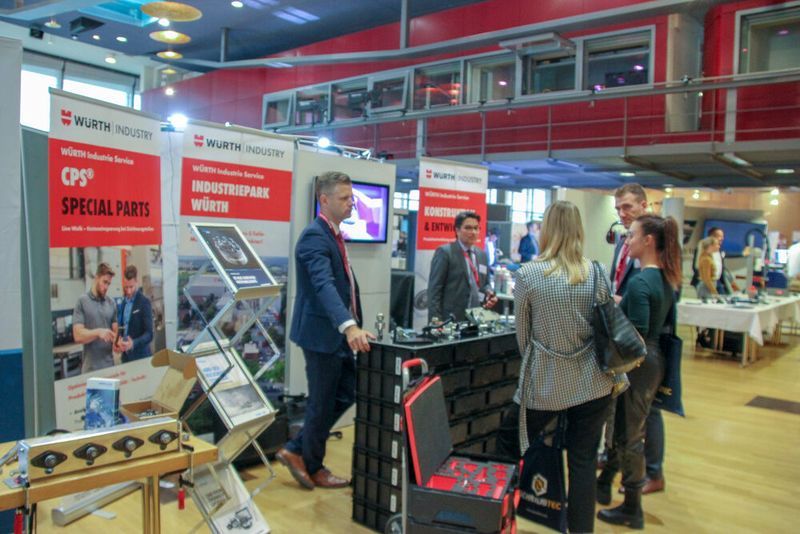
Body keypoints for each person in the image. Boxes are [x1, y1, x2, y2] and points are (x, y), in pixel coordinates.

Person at [512, 201, 625, 534]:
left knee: (508, 443)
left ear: (546, 229)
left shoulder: (528, 274)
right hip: (594, 383)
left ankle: (500, 516)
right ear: (579, 230)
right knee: (583, 462)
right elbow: (605, 329)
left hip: (544, 384)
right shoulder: (596, 272)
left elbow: (523, 339)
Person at [277, 171, 375, 490]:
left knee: (348, 392)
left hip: (335, 335)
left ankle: (296, 450)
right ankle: (313, 465)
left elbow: (343, 285)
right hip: (322, 336)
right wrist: (348, 326)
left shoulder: (333, 234)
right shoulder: (314, 237)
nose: (352, 204)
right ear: (324, 200)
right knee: (322, 401)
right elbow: (324, 285)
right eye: (345, 198)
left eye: (352, 198)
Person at [597, 215, 682, 530]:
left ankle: (633, 508)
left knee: (629, 435)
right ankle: (607, 483)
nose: (626, 240)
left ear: (648, 241)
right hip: (651, 363)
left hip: (639, 365)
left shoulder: (642, 281)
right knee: (626, 429)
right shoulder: (663, 279)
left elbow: (639, 332)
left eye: (631, 235)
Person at [427, 211, 498, 323]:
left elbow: (485, 284)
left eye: (476, 228)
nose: (473, 232)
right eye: (468, 228)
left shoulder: (481, 255)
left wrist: (489, 293)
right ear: (457, 230)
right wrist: (435, 320)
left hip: (477, 317)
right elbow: (434, 290)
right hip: (451, 319)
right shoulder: (445, 252)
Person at [73, 262, 118, 373]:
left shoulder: (111, 303)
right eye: (104, 282)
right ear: (97, 278)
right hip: (90, 370)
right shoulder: (82, 301)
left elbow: (115, 333)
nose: (106, 287)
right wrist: (98, 332)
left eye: (109, 284)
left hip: (110, 368)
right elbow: (77, 335)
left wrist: (119, 343)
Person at [611, 184, 648, 296]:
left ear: (643, 205)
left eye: (627, 207)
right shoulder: (622, 243)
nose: (621, 214)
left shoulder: (656, 241)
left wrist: (624, 302)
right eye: (618, 209)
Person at [116, 265, 154, 362]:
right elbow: (122, 327)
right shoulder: (123, 302)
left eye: (131, 287)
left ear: (137, 282)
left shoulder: (144, 302)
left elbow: (149, 334)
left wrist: (133, 343)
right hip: (126, 357)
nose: (128, 291)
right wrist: (118, 341)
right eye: (126, 287)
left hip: (141, 357)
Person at [690, 227, 738, 295]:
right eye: (719, 236)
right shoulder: (702, 248)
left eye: (723, 236)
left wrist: (732, 285)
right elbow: (697, 267)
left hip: (717, 282)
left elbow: (722, 269)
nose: (722, 238)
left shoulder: (718, 250)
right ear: (711, 237)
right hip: (705, 283)